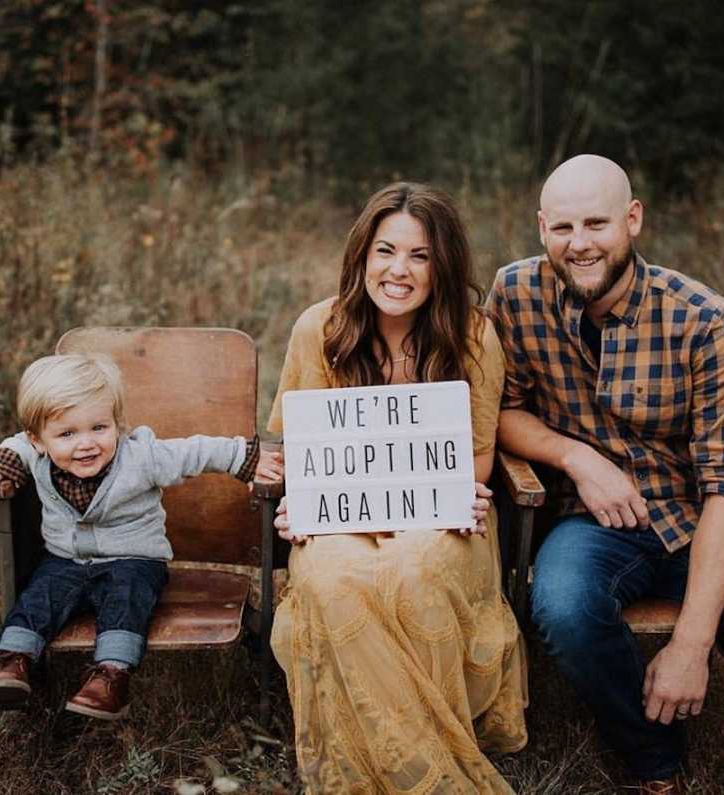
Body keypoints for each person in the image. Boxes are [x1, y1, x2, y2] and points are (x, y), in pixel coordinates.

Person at [486, 154, 724, 794]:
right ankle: (654, 758)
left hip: (699, 522)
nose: (580, 244)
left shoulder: (703, 319)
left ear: (633, 219)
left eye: (597, 223)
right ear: (541, 227)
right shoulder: (514, 294)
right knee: (562, 606)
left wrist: (689, 648)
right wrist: (577, 457)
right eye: (563, 228)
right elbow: (501, 410)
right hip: (591, 524)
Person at [267, 182, 528, 793]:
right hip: (339, 519)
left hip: (440, 516)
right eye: (386, 251)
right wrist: (297, 504)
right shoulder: (320, 328)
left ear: (443, 266)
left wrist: (460, 491)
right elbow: (294, 448)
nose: (399, 271)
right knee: (332, 577)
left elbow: (479, 458)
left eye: (420, 256)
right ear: (362, 256)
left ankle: (413, 761)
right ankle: (413, 771)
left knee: (414, 569)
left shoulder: (474, 336)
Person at [0, 353, 283, 720]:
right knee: (39, 597)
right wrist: (0, 464)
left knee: (126, 599)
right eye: (68, 434)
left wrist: (246, 457)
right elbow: (16, 445)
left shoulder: (141, 456)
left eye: (99, 428)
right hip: (65, 561)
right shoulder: (34, 452)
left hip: (134, 560)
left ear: (117, 424)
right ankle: (14, 661)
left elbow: (193, 452)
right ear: (40, 441)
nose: (86, 443)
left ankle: (111, 676)